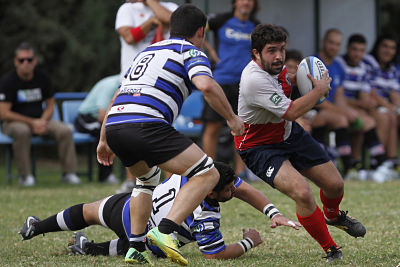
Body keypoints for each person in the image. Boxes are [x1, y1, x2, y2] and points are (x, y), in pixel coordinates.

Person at [97, 4, 244, 265]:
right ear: (201, 31)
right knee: (207, 173)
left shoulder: (146, 52)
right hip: (146, 123)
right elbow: (206, 85)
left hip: (117, 124)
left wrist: (103, 138)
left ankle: (136, 247)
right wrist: (232, 119)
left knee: (145, 182)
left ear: (170, 27)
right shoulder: (190, 51)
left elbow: (119, 94)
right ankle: (164, 232)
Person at [234, 24, 366, 263]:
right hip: (259, 147)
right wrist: (319, 90)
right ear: (256, 53)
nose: (278, 56)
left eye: (282, 50)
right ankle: (331, 249)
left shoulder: (277, 67)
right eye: (271, 51)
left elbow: (288, 84)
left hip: (288, 134)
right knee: (302, 192)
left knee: (335, 184)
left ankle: (333, 216)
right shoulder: (253, 79)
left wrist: (299, 78)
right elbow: (292, 111)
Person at [18, 162, 300, 262]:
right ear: (212, 192)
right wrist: (249, 241)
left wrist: (272, 212)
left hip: (132, 208)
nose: (233, 192)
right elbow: (213, 254)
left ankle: (37, 227)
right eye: (228, 191)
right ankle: (90, 248)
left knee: (89, 212)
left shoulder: (200, 173)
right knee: (154, 245)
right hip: (150, 237)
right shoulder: (206, 214)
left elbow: (246, 190)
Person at [0, 42, 81, 186]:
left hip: (40, 120)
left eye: (29, 60)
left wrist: (42, 121)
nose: (26, 63)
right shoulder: (8, 81)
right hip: (13, 123)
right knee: (22, 131)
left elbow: (50, 106)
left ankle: (69, 174)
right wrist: (32, 123)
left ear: (35, 61)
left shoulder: (42, 78)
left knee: (65, 130)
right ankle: (25, 177)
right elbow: (4, 113)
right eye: (21, 60)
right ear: (16, 62)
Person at [317, 29, 391, 181]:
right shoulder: (314, 63)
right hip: (313, 111)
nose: (334, 47)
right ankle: (348, 167)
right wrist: (346, 112)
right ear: (323, 42)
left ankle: (375, 165)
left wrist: (351, 111)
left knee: (365, 121)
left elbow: (339, 99)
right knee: (342, 119)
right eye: (331, 43)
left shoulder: (337, 67)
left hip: (332, 110)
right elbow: (317, 100)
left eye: (337, 44)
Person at [201, 0, 260, 178]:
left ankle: (241, 173)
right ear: (234, 2)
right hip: (220, 81)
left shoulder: (256, 26)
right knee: (212, 127)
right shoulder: (220, 20)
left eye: (250, 0)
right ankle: (208, 171)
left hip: (245, 83)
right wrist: (210, 52)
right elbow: (197, 31)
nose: (246, 2)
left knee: (243, 127)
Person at [336, 33, 398, 182]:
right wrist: (364, 104)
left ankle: (387, 163)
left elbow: (367, 93)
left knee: (387, 117)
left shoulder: (365, 67)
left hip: (358, 107)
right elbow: (339, 97)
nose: (358, 54)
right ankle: (376, 164)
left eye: (361, 50)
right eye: (354, 49)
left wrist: (393, 108)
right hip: (341, 108)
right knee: (376, 118)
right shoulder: (340, 64)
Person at [364, 34, 400, 173]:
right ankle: (378, 162)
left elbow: (394, 93)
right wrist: (391, 107)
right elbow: (370, 92)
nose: (388, 51)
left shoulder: (392, 68)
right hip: (367, 104)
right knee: (387, 116)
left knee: (391, 115)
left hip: (385, 107)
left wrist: (398, 109)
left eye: (392, 48)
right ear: (377, 46)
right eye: (385, 46)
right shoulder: (368, 62)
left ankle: (391, 161)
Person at [115, 0, 178, 80]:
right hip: (133, 78)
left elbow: (171, 19)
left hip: (165, 76)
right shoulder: (127, 8)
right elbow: (129, 37)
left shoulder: (171, 7)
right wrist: (150, 22)